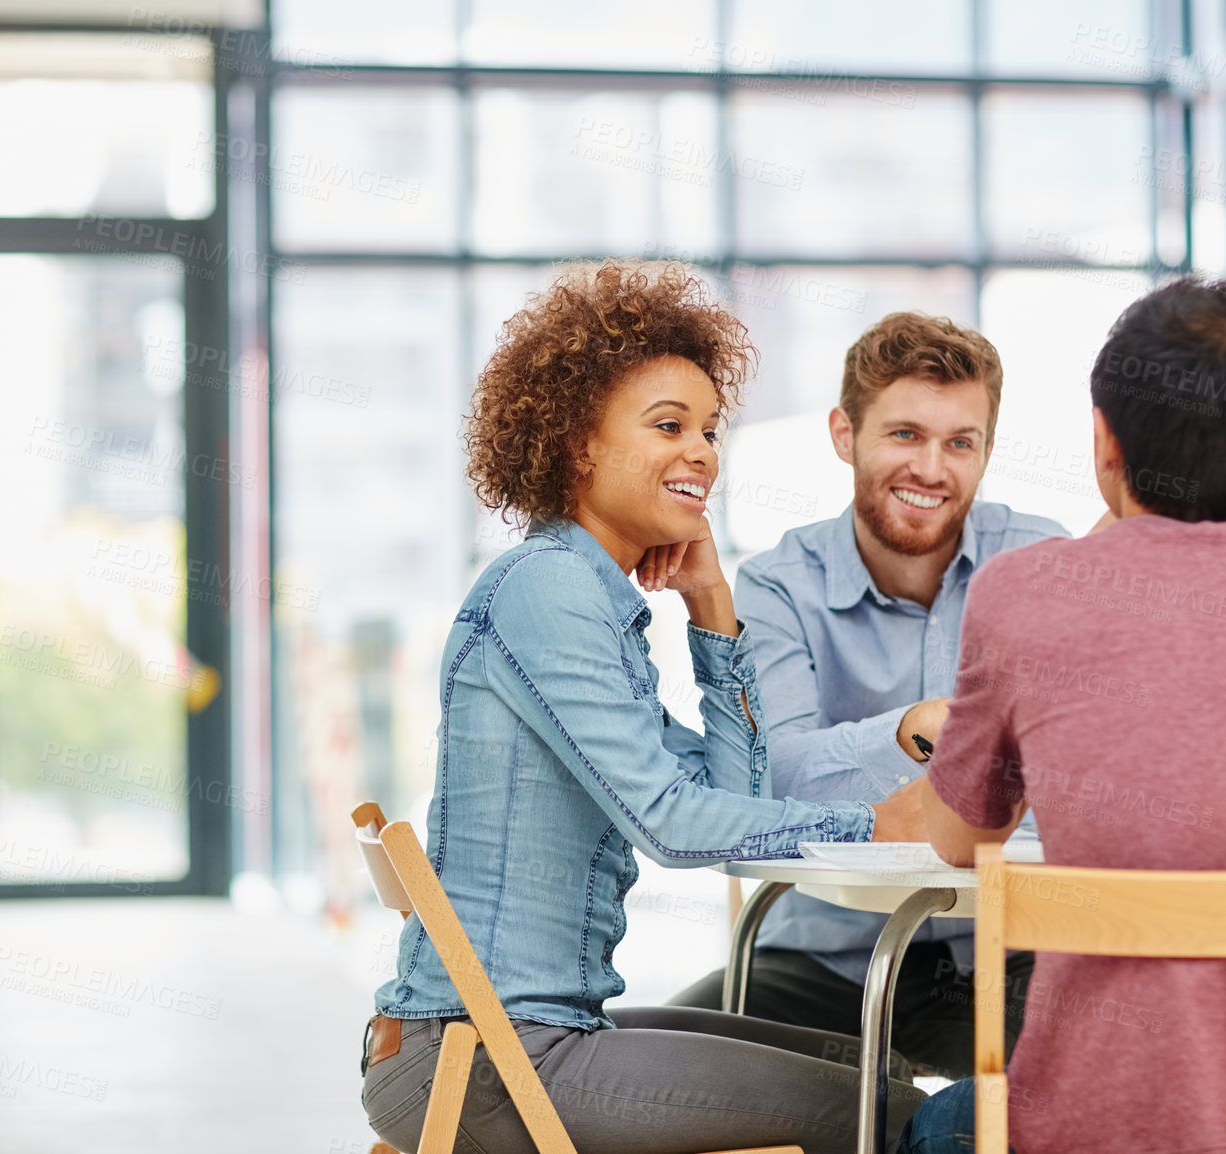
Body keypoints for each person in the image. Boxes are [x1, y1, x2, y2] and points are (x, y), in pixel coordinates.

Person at [361, 261, 925, 1154]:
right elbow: (670, 824)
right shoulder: (547, 593)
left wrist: (712, 615)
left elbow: (734, 790)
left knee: (877, 1067)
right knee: (889, 1115)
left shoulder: (590, 606)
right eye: (669, 426)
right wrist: (874, 826)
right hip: (493, 1064)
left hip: (528, 1040)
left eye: (709, 429)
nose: (702, 451)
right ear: (578, 443)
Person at [900, 276, 1226, 1154]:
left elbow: (961, 840)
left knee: (935, 1124)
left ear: (1105, 440)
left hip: (1098, 1129)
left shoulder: (1028, 591)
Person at [671, 312, 1068, 1077]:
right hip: (826, 962)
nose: (931, 468)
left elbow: (1097, 772)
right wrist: (908, 731)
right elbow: (768, 779)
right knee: (653, 1072)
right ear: (843, 434)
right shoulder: (778, 586)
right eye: (904, 435)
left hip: (1009, 958)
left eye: (961, 443)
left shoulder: (1043, 564)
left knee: (1120, 1067)